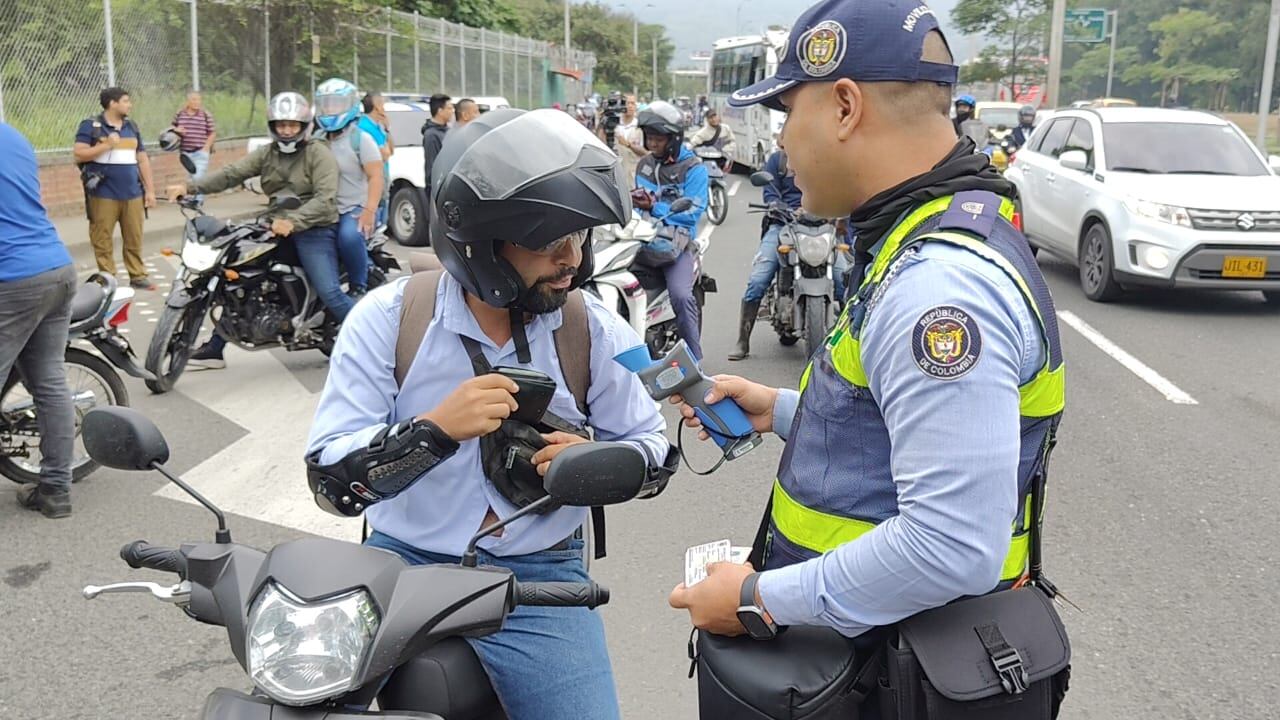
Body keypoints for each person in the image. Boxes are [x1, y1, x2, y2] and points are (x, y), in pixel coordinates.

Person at [668, 0, 1066, 668]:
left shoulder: (937, 290)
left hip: (891, 668)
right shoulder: (930, 228)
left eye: (789, 113)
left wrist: (758, 598)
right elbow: (895, 429)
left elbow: (950, 545)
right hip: (881, 657)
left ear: (845, 107)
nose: (784, 139)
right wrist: (780, 411)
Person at [306, 108, 671, 720]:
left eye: (579, 237)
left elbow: (654, 449)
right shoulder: (390, 320)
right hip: (403, 568)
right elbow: (329, 479)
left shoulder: (591, 327)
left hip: (540, 577)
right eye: (546, 240)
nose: (571, 259)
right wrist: (433, 431)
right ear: (479, 242)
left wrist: (599, 462)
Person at [168, 92, 341, 370]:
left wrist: (294, 221)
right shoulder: (268, 153)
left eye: (292, 125)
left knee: (330, 290)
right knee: (234, 273)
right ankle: (215, 347)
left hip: (314, 227)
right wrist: (189, 187)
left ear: (303, 126)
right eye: (281, 125)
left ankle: (371, 338)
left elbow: (326, 198)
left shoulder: (318, 153)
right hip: (273, 224)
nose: (286, 130)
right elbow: (232, 173)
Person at [1, 122, 76, 519]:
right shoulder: (14, 136)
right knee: (49, 382)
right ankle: (55, 491)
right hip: (56, 267)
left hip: (13, 279)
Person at [633, 100, 710, 360]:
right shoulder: (644, 164)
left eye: (658, 139)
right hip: (641, 239)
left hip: (678, 245)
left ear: (674, 139)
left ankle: (696, 361)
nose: (652, 143)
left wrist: (654, 208)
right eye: (649, 137)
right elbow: (638, 205)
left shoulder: (695, 169)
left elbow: (691, 215)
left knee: (681, 295)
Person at [73, 86, 158, 291]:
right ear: (113, 103)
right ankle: (107, 277)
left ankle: (137, 275)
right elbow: (79, 154)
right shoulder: (90, 126)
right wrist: (106, 145)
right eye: (126, 101)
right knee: (102, 236)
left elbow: (142, 159)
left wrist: (150, 190)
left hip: (132, 192)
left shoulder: (132, 127)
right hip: (103, 193)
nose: (130, 105)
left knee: (134, 235)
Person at [728, 148, 802, 361]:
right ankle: (743, 340)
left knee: (844, 276)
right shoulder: (778, 161)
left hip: (817, 227)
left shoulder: (823, 159)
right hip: (782, 224)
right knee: (758, 279)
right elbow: (770, 193)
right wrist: (779, 207)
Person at [314, 78, 381, 299]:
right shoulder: (316, 140)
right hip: (323, 208)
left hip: (353, 207)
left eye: (336, 103)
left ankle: (358, 285)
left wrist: (369, 211)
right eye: (326, 104)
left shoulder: (361, 139)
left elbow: (376, 176)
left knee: (349, 238)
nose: (330, 109)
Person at [170, 91, 217, 203]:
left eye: (199, 100)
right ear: (188, 101)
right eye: (194, 100)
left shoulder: (205, 115)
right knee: (192, 176)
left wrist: (206, 147)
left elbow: (212, 132)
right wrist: (176, 130)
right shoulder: (180, 114)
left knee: (198, 175)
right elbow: (172, 127)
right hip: (186, 153)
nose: (197, 102)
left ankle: (198, 200)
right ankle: (193, 196)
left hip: (200, 151)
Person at [359, 92, 394, 228]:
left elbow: (391, 151)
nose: (384, 107)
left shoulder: (379, 126)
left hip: (384, 174)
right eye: (382, 103)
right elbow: (384, 155)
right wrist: (385, 151)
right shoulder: (364, 127)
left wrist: (387, 128)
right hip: (373, 178)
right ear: (377, 106)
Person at [421, 93, 453, 237]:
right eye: (449, 108)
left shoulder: (448, 131)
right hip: (438, 188)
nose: (452, 111)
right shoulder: (431, 135)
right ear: (440, 111)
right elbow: (432, 165)